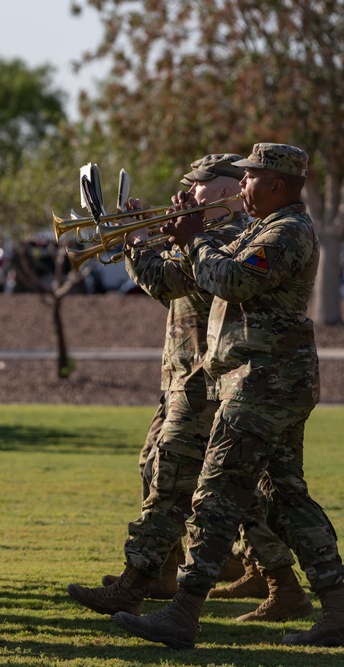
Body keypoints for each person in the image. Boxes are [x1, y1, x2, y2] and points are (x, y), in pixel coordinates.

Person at [112, 143, 344, 649]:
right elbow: (208, 275)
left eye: (251, 178)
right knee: (285, 497)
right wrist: (187, 239)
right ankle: (337, 608)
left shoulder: (286, 233)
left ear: (277, 185)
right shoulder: (268, 228)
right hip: (261, 381)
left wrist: (194, 240)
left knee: (215, 495)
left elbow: (232, 281)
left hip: (264, 383)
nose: (243, 186)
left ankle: (183, 612)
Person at [71, 154, 310, 624]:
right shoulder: (220, 234)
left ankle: (144, 586)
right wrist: (142, 238)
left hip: (209, 381)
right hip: (190, 376)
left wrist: (140, 241)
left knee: (185, 485)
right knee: (229, 489)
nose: (187, 194)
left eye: (198, 187)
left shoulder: (230, 235)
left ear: (221, 194)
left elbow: (166, 282)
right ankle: (272, 581)